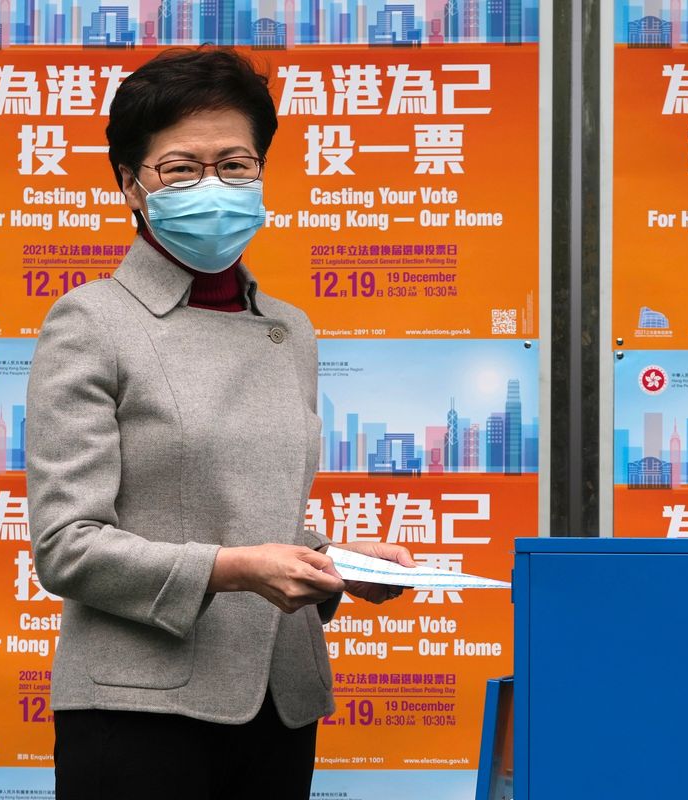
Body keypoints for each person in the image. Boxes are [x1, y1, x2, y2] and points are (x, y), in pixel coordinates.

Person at [25, 48, 412, 800]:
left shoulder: (290, 329)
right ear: (130, 184)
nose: (214, 186)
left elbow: (251, 520)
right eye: (181, 168)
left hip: (279, 702)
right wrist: (236, 569)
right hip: (140, 710)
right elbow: (67, 546)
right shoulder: (91, 322)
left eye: (235, 165)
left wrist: (336, 564)